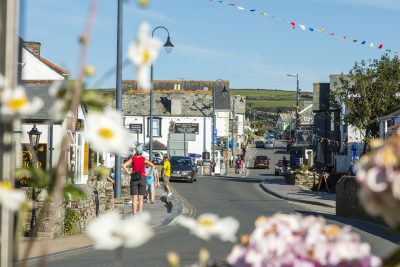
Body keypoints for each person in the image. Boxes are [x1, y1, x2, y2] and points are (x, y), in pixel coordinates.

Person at [122, 145, 155, 214]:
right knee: (140, 199)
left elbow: (124, 165)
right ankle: (140, 215)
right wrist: (148, 174)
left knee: (134, 199)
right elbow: (153, 166)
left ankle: (134, 214)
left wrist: (128, 172)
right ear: (141, 152)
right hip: (142, 178)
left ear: (136, 151)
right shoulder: (144, 159)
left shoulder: (133, 159)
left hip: (134, 179)